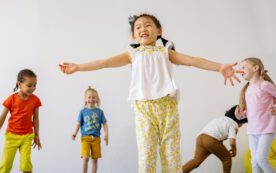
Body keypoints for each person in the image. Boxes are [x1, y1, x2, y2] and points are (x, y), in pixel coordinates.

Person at [59, 13, 242, 173]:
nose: (143, 29)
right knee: (147, 155)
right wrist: (79, 67)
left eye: (148, 25)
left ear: (159, 31)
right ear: (133, 35)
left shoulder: (166, 52)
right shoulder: (132, 54)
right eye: (138, 27)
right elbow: (104, 62)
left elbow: (193, 61)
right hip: (144, 109)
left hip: (167, 108)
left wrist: (219, 67)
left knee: (171, 156)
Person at [0, 69, 42, 173]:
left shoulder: (35, 100)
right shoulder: (11, 99)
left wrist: (37, 135)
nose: (33, 88)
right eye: (29, 85)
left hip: (27, 137)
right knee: (6, 164)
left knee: (26, 165)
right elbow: (2, 118)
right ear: (19, 84)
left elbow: (36, 118)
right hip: (11, 136)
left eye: (35, 85)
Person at [237, 57, 276, 173]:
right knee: (254, 161)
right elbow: (251, 111)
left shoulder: (264, 85)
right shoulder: (247, 89)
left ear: (255, 67)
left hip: (266, 129)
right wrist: (241, 115)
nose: (240, 70)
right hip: (252, 130)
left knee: (260, 158)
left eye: (243, 67)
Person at [182, 105, 248, 173]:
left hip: (200, 137)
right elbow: (232, 142)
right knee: (227, 158)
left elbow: (218, 133)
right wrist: (234, 150)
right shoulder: (233, 125)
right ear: (241, 121)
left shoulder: (221, 119)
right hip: (211, 139)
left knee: (196, 160)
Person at [72, 86, 108, 173]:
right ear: (85, 99)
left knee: (95, 160)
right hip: (85, 139)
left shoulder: (100, 112)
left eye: (93, 97)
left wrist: (106, 135)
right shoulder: (83, 111)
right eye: (89, 97)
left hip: (96, 139)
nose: (91, 99)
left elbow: (105, 124)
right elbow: (78, 123)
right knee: (85, 157)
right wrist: (74, 133)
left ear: (97, 99)